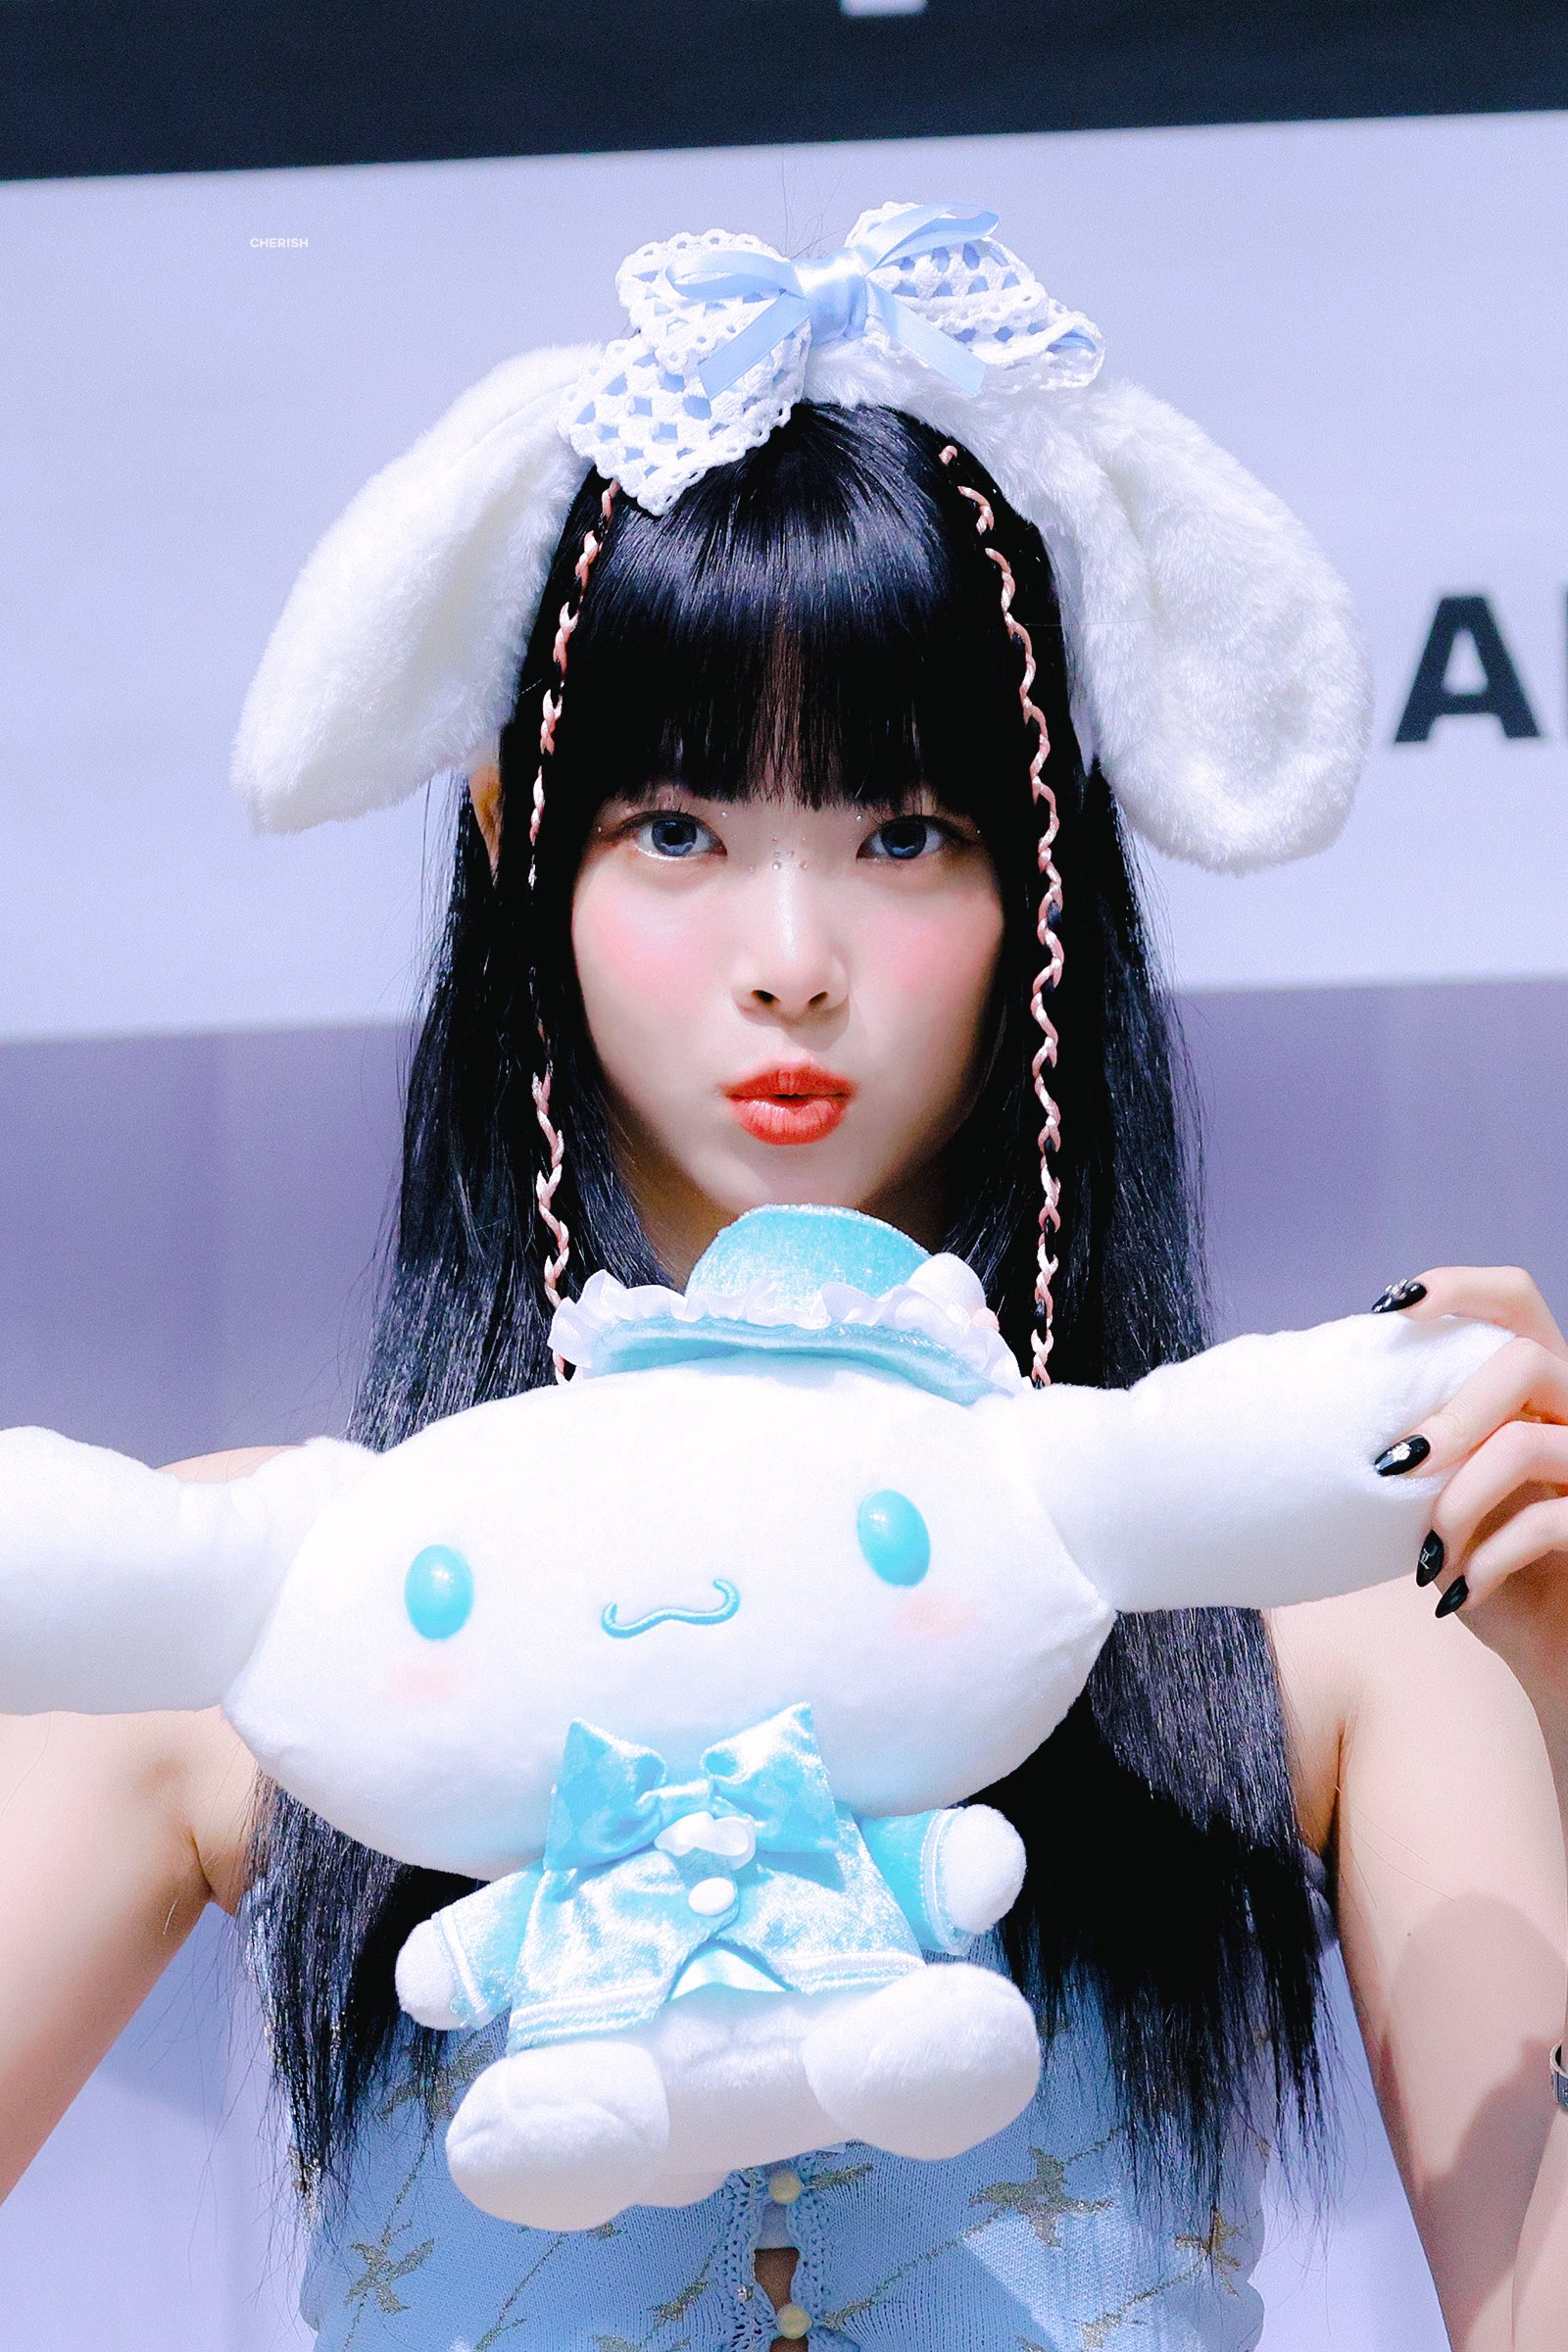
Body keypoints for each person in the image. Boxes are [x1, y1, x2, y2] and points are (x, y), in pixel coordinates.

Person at [2, 206, 1565, 2352]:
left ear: (1043, 888)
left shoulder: (1309, 1613)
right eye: (676, 831)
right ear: (519, 845)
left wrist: (1559, 1688)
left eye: (901, 834)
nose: (791, 958)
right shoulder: (266, 1610)